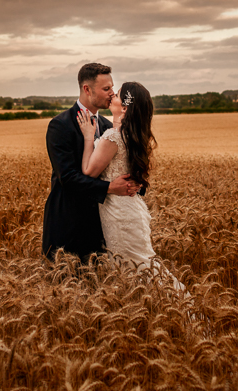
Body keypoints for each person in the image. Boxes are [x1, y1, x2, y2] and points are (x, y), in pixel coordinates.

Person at [76, 81, 185, 292]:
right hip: (131, 209)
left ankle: (170, 305)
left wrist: (89, 138)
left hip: (118, 213)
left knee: (133, 268)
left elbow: (89, 172)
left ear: (124, 107)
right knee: (142, 266)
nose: (111, 97)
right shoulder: (133, 135)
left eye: (116, 95)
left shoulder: (113, 136)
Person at [42, 63, 140, 262]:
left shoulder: (108, 127)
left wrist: (135, 184)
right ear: (87, 89)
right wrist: (110, 187)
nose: (112, 94)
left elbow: (122, 165)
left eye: (112, 88)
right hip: (68, 225)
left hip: (103, 226)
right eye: (106, 89)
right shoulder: (60, 125)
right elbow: (68, 178)